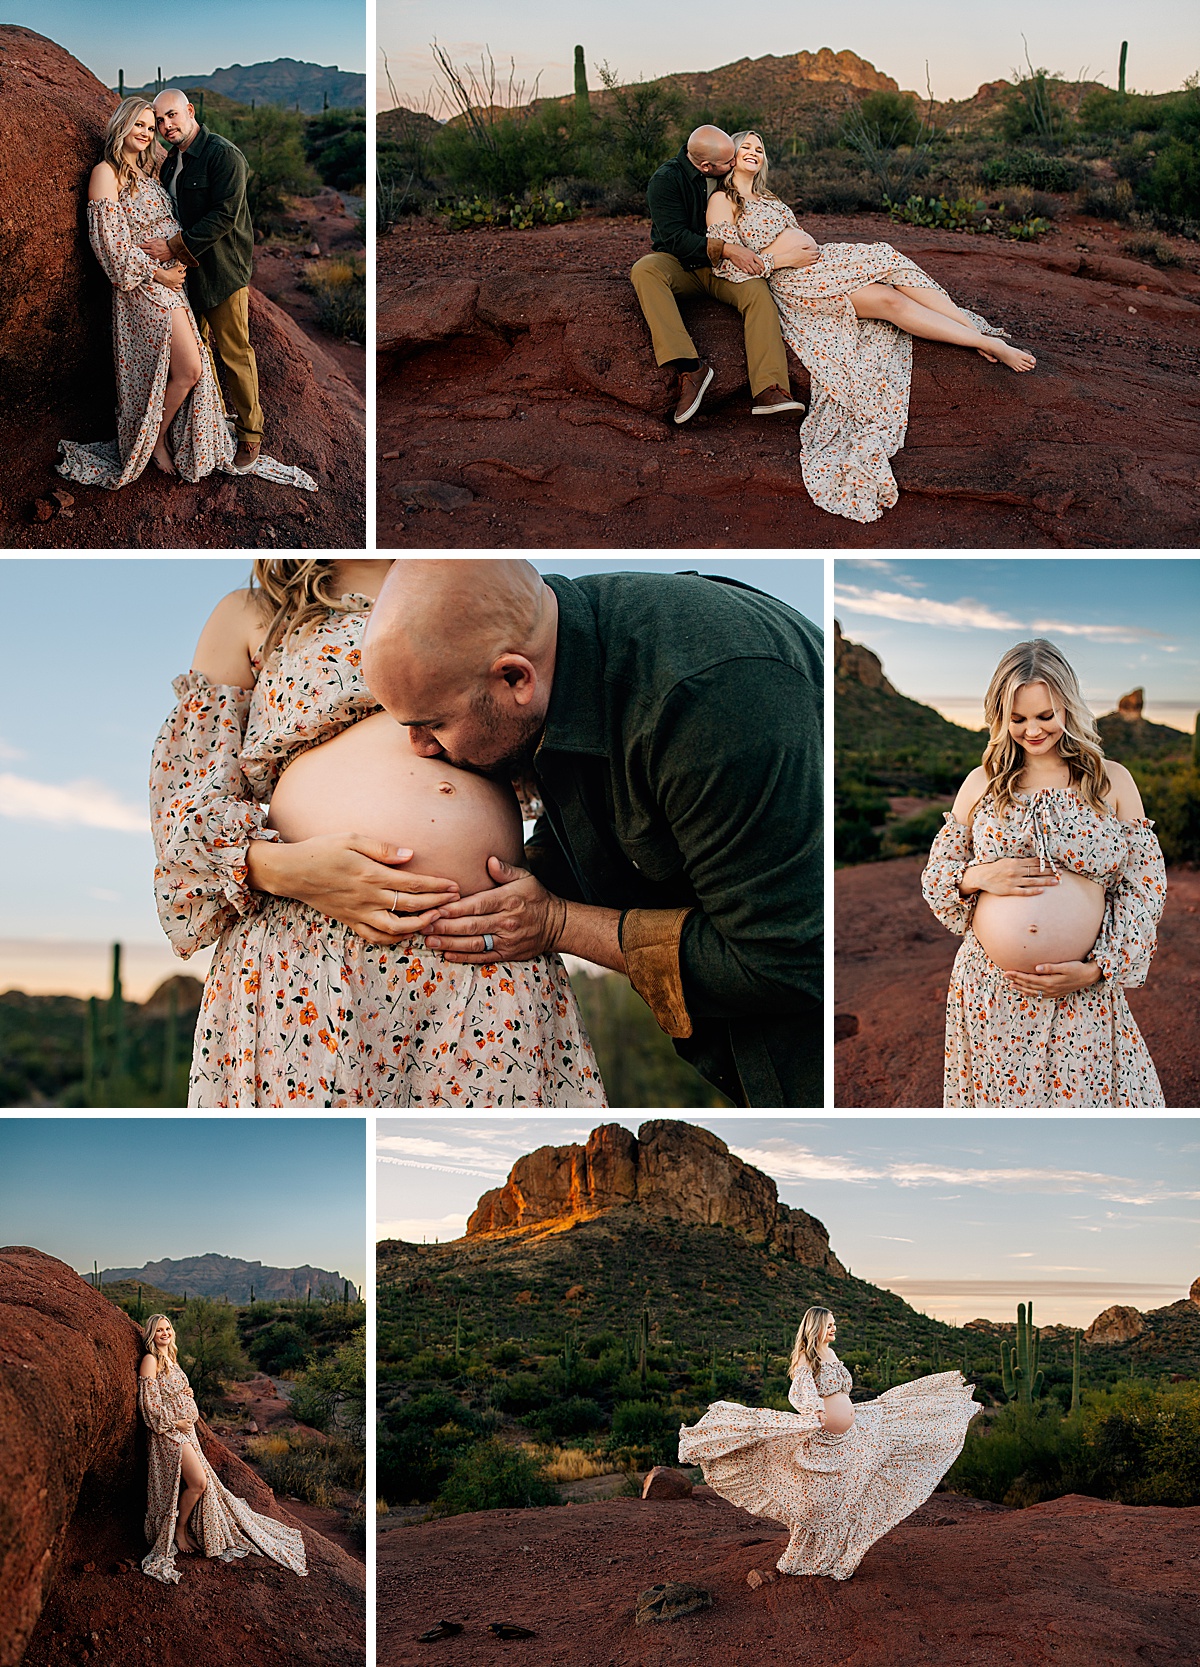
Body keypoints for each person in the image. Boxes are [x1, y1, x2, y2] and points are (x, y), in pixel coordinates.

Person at [360, 559, 823, 1108]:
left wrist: (555, 923)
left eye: (432, 724)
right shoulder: (563, 646)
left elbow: (786, 961)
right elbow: (602, 825)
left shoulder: (709, 701)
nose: (419, 748)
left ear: (514, 678)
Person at [149, 557, 605, 1108]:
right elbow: (184, 806)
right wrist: (294, 872)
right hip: (311, 954)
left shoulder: (486, 586)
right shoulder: (255, 614)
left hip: (489, 949)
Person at [707, 132, 1036, 523]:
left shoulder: (771, 198)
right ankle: (986, 343)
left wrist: (800, 250)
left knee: (887, 262)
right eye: (746, 147)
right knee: (889, 301)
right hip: (796, 283)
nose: (754, 153)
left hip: (823, 263)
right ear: (729, 156)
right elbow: (725, 263)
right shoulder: (722, 200)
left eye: (760, 149)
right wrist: (782, 258)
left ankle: (972, 330)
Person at [922, 639, 1166, 1108]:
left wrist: (1096, 969)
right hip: (992, 989)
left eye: (1045, 715)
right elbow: (939, 874)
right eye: (1017, 719)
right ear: (1000, 717)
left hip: (1080, 988)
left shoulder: (1111, 780)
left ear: (1068, 708)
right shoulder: (981, 782)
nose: (1032, 730)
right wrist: (979, 876)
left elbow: (1144, 887)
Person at [678, 1307, 978, 1580]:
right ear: (816, 1327)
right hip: (826, 1439)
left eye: (835, 1324)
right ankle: (806, 1554)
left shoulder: (831, 1354)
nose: (835, 1329)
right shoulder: (807, 1359)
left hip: (853, 1434)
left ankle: (840, 1553)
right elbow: (800, 1390)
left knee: (868, 1473)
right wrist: (814, 1410)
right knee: (821, 1499)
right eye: (830, 1325)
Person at [56, 98, 236, 488]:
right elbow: (109, 247)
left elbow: (170, 223)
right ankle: (153, 442)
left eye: (151, 127)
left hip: (170, 284)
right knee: (190, 369)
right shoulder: (106, 174)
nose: (146, 132)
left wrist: (178, 262)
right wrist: (159, 273)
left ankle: (160, 434)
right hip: (142, 289)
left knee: (183, 369)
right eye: (139, 124)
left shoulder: (148, 171)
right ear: (122, 126)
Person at [630, 124, 805, 424]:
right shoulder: (666, 181)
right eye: (728, 162)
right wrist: (728, 249)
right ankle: (691, 368)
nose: (734, 162)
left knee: (756, 293)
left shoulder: (726, 173)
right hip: (682, 263)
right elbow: (676, 240)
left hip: (722, 271)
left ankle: (769, 388)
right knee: (644, 269)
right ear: (706, 165)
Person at [144, 90, 263, 474]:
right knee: (201, 352)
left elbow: (224, 215)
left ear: (190, 112)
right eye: (160, 121)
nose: (166, 127)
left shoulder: (223, 155)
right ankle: (212, 419)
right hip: (186, 276)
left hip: (222, 270)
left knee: (234, 352)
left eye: (172, 116)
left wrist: (171, 248)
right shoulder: (171, 163)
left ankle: (249, 435)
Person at [138, 1314, 307, 1584]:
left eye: (168, 1328)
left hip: (186, 1432)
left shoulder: (171, 1357)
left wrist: (187, 1395)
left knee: (202, 1483)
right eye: (159, 1330)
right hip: (169, 1434)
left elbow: (175, 1390)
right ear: (151, 1334)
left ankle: (185, 1528)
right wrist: (176, 1421)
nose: (165, 1333)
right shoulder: (150, 1360)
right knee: (199, 1482)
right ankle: (179, 1530)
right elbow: (149, 1405)